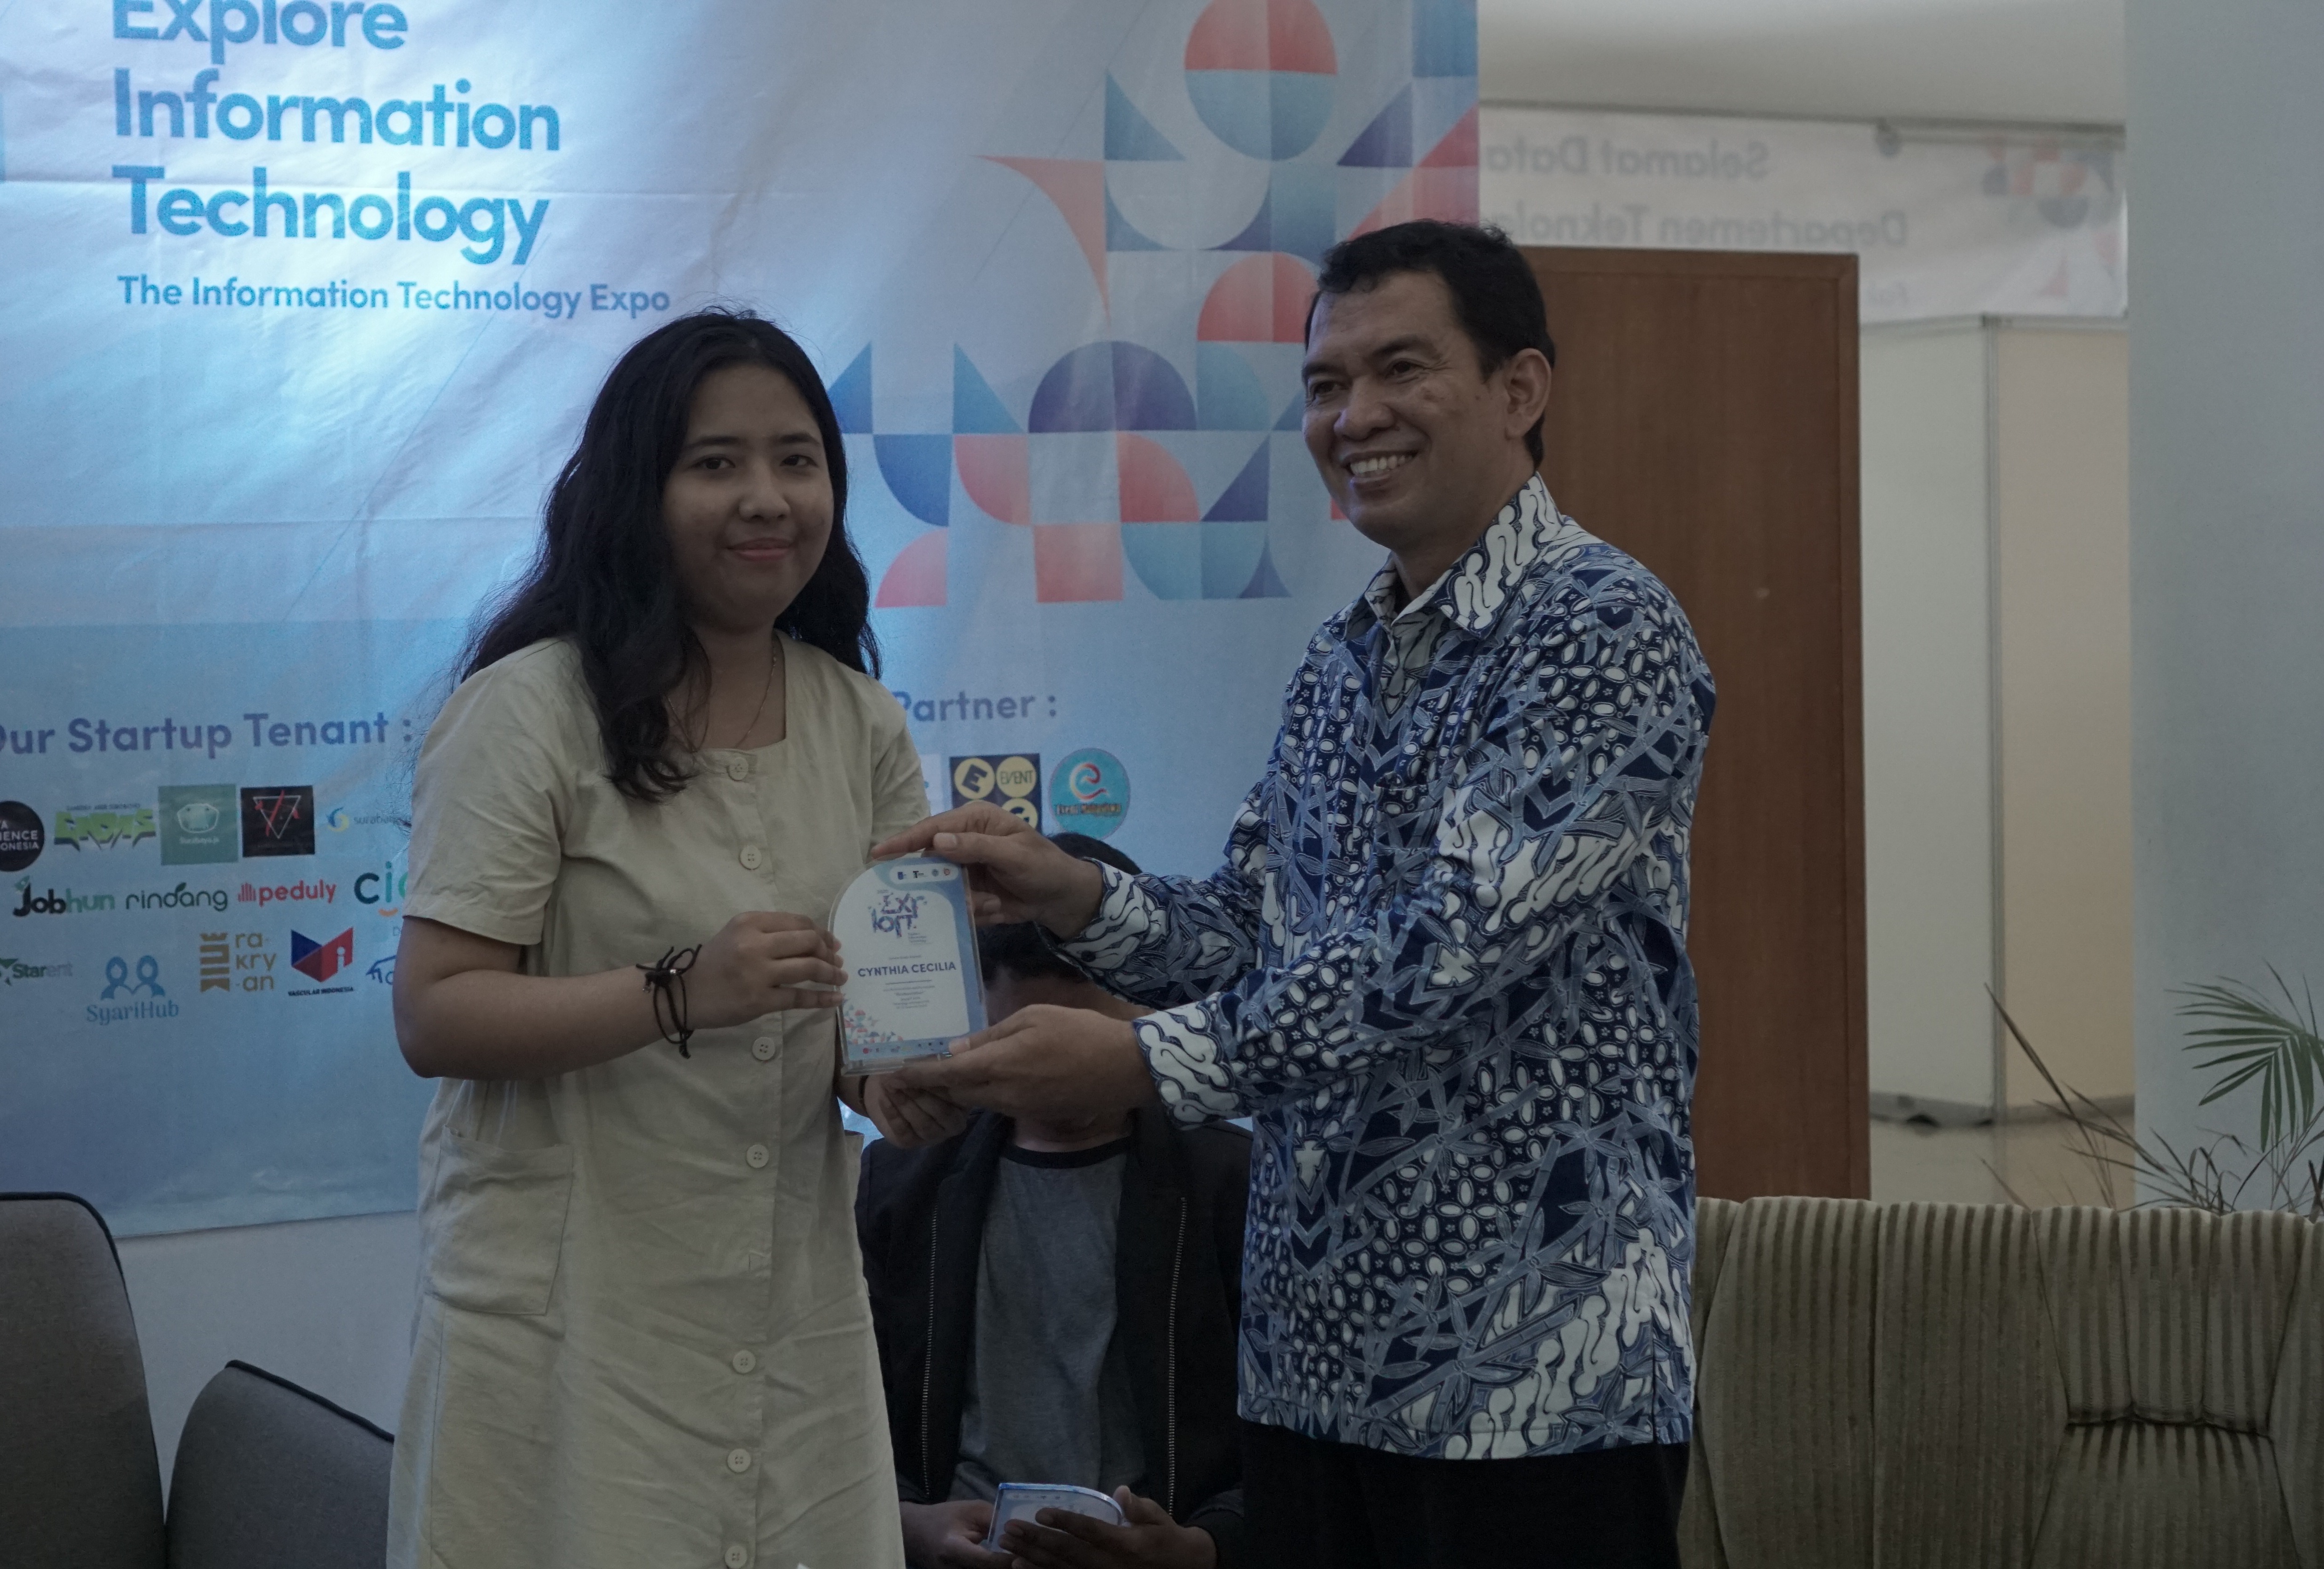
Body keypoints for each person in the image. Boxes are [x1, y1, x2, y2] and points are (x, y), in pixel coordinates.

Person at [873, 221, 1717, 1568]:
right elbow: (1252, 936)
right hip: (1313, 1372)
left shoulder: (1602, 626)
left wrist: (1141, 1062)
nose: (1354, 416)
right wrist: (1072, 892)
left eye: (1401, 369)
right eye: (1326, 385)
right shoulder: (1342, 658)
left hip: (1533, 1378)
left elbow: (1444, 948)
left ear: (1520, 389)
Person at [386, 309, 939, 1569]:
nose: (767, 498)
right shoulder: (528, 709)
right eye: (715, 463)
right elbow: (436, 1012)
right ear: (637, 490)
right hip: (575, 1315)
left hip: (790, 1304)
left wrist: (892, 1081)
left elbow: (861, 1015)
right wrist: (683, 989)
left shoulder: (861, 720)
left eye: (798, 461)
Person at [857, 835, 1248, 1569]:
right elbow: (847, 1407)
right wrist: (907, 1522)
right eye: (1019, 1050)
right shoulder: (897, 1186)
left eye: (1081, 1053)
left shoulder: (1234, 1183)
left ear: (1153, 1008)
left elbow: (1289, 1444)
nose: (1052, 1081)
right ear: (975, 1014)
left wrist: (1207, 1545)